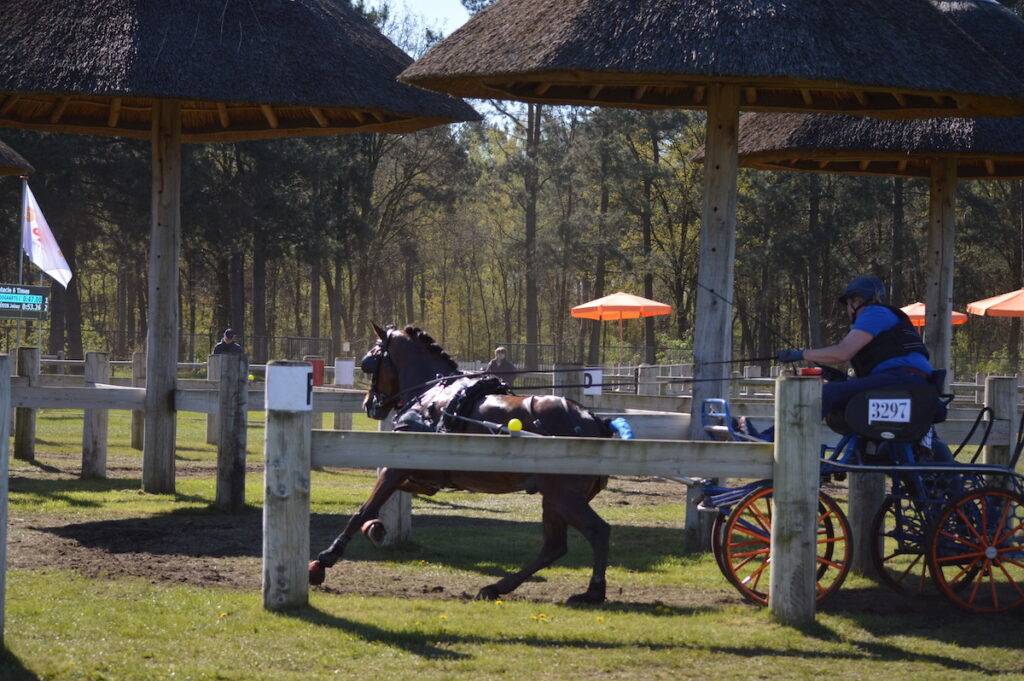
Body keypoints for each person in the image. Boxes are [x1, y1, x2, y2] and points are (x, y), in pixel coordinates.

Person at [776, 275, 934, 419]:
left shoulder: (874, 313)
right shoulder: (890, 317)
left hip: (899, 379)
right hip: (912, 382)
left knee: (827, 393)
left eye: (848, 303)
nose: (848, 310)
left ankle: (776, 437)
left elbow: (842, 352)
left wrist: (800, 354)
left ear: (857, 301)